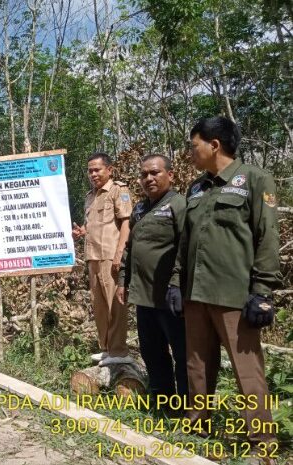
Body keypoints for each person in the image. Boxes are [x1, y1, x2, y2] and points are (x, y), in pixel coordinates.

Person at [168, 117, 280, 461]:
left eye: (194, 145)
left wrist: (262, 292)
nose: (190, 152)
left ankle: (262, 444)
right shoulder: (197, 188)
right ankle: (197, 425)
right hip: (196, 293)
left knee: (248, 371)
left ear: (214, 144)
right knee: (197, 365)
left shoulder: (255, 180)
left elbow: (267, 238)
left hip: (235, 295)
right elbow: (186, 240)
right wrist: (175, 281)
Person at [116, 154, 187, 403]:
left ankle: (188, 405)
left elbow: (186, 249)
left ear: (170, 175)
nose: (149, 178)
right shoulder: (140, 208)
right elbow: (129, 248)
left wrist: (177, 284)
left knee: (182, 352)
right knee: (152, 351)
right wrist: (123, 281)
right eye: (144, 174)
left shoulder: (179, 205)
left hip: (170, 296)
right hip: (143, 295)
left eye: (155, 173)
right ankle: (163, 401)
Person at [72, 152, 133, 366]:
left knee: (114, 304)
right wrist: (83, 231)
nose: (93, 174)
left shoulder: (118, 190)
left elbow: (126, 222)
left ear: (110, 170)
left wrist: (120, 254)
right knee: (99, 305)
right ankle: (107, 349)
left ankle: (119, 350)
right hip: (93, 257)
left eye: (97, 169)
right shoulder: (91, 195)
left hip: (110, 257)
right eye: (90, 170)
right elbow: (96, 224)